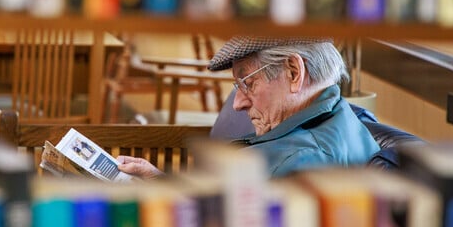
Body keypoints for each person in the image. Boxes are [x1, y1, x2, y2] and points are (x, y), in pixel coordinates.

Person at [117, 36, 381, 178]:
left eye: (247, 83)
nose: (238, 103)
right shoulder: (340, 115)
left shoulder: (298, 163)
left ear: (293, 72)